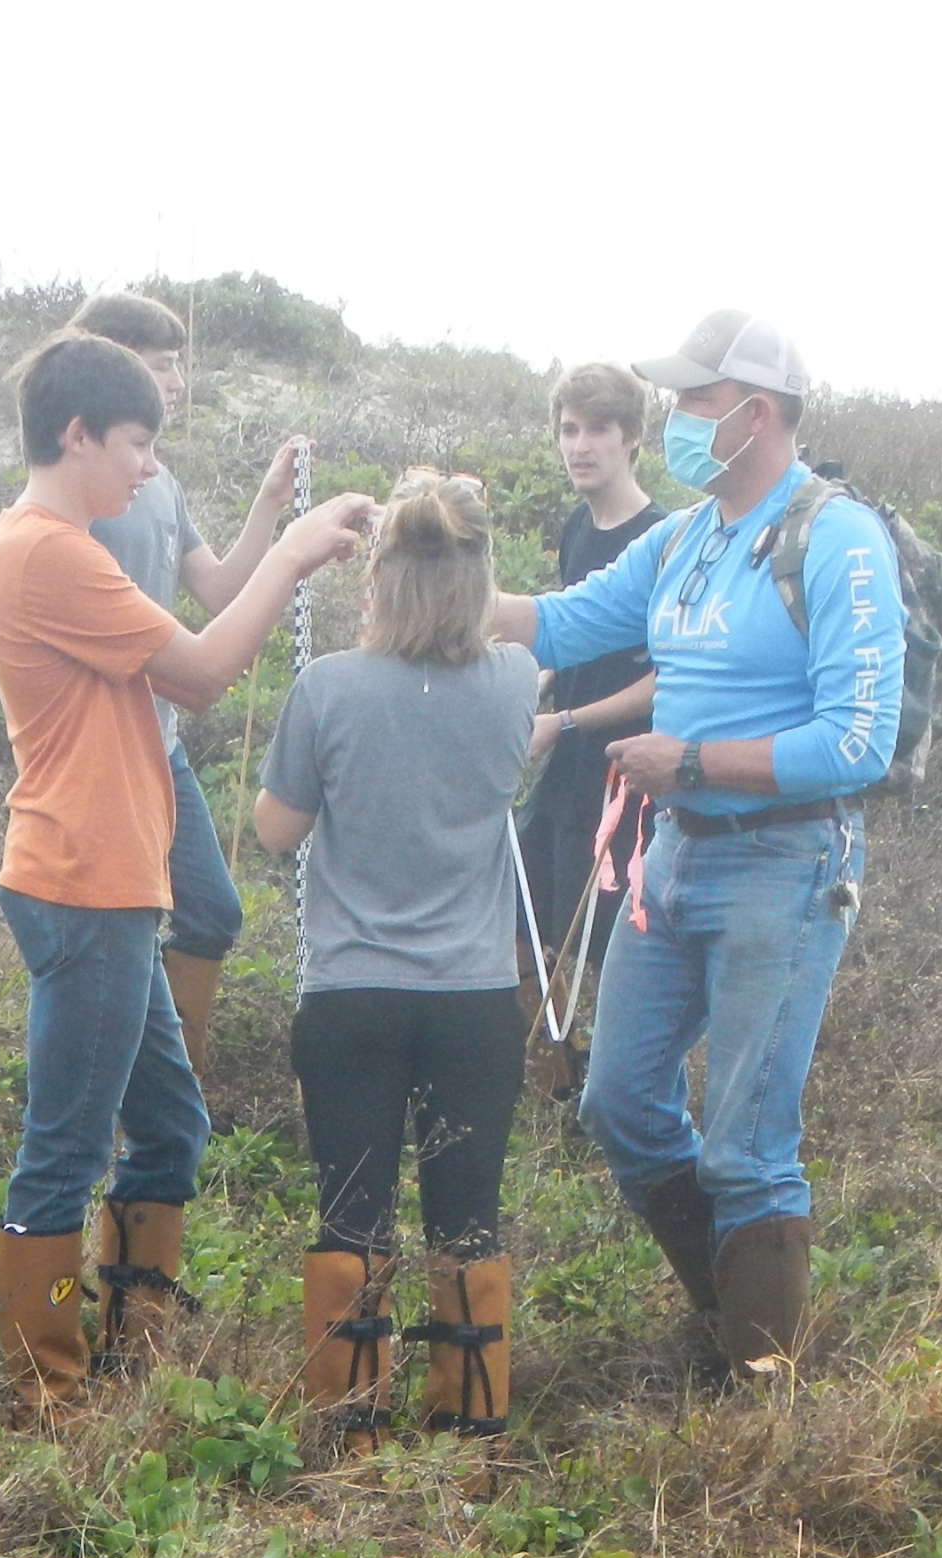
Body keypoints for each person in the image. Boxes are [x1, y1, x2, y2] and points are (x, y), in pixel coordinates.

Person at [486, 311, 902, 1379]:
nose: (672, 421)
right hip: (671, 859)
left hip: (784, 864)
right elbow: (567, 622)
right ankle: (734, 1315)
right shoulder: (685, 537)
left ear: (754, 414)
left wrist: (699, 764)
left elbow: (858, 741)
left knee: (747, 1147)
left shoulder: (838, 538)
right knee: (620, 1103)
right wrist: (428, 576)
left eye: (691, 402)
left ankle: (760, 1393)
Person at [0, 331, 373, 1421]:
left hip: (108, 880)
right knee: (63, 1146)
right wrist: (287, 554)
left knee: (172, 1125)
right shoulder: (48, 551)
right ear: (76, 434)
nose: (148, 467)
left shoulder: (62, 543)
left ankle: (129, 1341)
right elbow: (198, 675)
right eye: (137, 442)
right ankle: (46, 1392)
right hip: (84, 881)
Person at [252, 473, 541, 1452]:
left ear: (375, 577)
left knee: (353, 1210)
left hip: (351, 994)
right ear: (478, 580)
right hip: (473, 1000)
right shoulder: (514, 682)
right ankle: (469, 1436)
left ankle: (351, 1428)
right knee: (467, 1219)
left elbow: (275, 831)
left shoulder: (326, 686)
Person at [61, 291, 315, 1341]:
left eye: (175, 361)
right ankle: (150, 1087)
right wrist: (296, 556)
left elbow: (216, 585)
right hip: (119, 766)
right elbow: (200, 650)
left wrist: (270, 508)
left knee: (209, 914)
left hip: (160, 752)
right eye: (149, 361)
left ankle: (167, 1080)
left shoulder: (157, 479)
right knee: (191, 916)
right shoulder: (97, 497)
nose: (169, 379)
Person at [515, 365, 668, 1046]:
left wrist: (567, 720)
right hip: (562, 766)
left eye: (599, 429)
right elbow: (568, 632)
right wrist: (536, 682)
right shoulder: (577, 524)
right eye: (569, 429)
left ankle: (602, 1090)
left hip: (621, 777)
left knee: (605, 949)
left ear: (633, 437)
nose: (580, 445)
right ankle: (549, 1069)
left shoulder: (664, 539)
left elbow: (669, 681)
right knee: (518, 914)